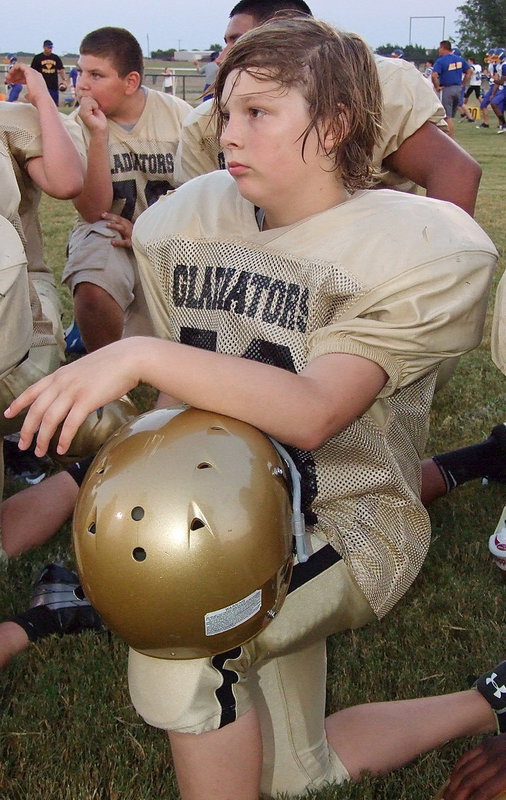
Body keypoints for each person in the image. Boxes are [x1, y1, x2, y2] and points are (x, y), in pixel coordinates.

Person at [6, 16, 498, 799]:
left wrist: (133, 352)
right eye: (225, 110)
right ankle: (488, 700)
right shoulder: (186, 221)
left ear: (335, 123)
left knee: (183, 655)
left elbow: (312, 412)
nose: (228, 133)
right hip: (224, 509)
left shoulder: (412, 244)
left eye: (258, 113)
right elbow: (180, 404)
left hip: (344, 511)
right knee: (298, 775)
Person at [174, 0, 482, 217]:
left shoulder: (378, 83)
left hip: (370, 259)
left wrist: (438, 262)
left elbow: (454, 171)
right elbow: (199, 217)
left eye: (239, 41)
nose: (225, 55)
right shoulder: (204, 122)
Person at [61, 26, 192, 353]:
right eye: (80, 71)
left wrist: (147, 232)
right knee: (93, 280)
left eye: (96, 75)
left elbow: (202, 201)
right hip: (110, 229)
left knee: (163, 342)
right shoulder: (76, 125)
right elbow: (92, 210)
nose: (82, 84)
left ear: (130, 82)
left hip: (174, 237)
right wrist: (100, 137)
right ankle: (102, 370)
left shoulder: (179, 116)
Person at [0, 61, 85, 482]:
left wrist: (42, 99)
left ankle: (19, 435)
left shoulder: (9, 122)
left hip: (18, 287)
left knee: (27, 358)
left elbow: (66, 182)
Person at [431, 41, 473, 137]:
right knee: (451, 116)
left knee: (446, 116)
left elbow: (434, 75)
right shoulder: (459, 59)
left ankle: (450, 137)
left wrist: (437, 86)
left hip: (447, 88)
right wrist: (463, 83)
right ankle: (450, 135)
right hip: (458, 89)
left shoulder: (441, 61)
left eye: (439, 48)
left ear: (442, 48)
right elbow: (469, 71)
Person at [30, 40, 67, 105]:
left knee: (54, 104)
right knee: (42, 104)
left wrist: (64, 80)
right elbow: (32, 71)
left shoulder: (55, 57)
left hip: (53, 85)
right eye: (48, 47)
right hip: (41, 85)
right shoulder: (38, 58)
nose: (50, 49)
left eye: (51, 48)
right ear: (44, 47)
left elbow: (61, 69)